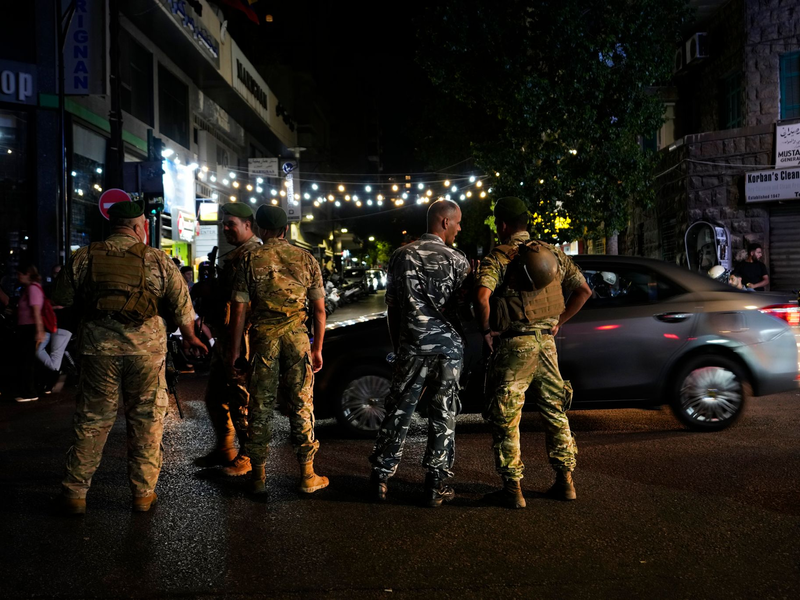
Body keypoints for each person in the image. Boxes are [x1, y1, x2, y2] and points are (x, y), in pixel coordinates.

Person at [52, 200, 207, 515]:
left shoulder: (84, 256)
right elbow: (182, 307)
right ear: (139, 227)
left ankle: (75, 494)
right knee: (146, 421)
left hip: (97, 352)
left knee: (92, 421)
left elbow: (61, 298)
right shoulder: (157, 259)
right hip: (146, 354)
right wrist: (191, 338)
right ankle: (142, 495)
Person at [475, 197, 592, 508]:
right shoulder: (553, 253)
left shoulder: (499, 257)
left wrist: (485, 330)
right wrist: (559, 321)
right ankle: (565, 482)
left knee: (507, 416)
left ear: (502, 225)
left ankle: (513, 489)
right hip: (547, 346)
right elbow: (584, 291)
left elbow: (482, 297)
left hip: (515, 347)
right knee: (555, 411)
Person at [369, 199, 470, 507]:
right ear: (445, 222)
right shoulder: (458, 260)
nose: (459, 228)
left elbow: (392, 308)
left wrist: (398, 346)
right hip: (448, 349)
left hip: (412, 346)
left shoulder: (401, 256)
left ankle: (380, 479)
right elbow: (463, 309)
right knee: (444, 412)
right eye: (457, 223)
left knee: (399, 410)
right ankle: (435, 485)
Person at [228, 205, 328, 496]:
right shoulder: (306, 258)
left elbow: (239, 311)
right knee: (301, 404)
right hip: (297, 340)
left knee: (260, 407)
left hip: (263, 340)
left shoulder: (249, 259)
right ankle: (307, 475)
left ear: (260, 229)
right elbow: (319, 311)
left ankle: (258, 477)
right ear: (285, 229)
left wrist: (236, 352)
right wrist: (317, 349)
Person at [195, 202, 261, 476]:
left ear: (248, 225)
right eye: (223, 224)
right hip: (225, 335)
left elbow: (245, 303)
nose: (225, 228)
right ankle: (225, 447)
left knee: (240, 398)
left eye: (230, 224)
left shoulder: (253, 255)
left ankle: (247, 455)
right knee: (215, 396)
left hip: (241, 337)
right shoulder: (236, 255)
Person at [13, 261, 49, 402]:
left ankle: (30, 392)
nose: (18, 277)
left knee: (27, 361)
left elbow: (36, 311)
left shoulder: (32, 289)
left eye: (19, 274)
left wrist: (39, 331)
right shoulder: (31, 288)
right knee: (28, 360)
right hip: (28, 327)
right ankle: (32, 390)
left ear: (27, 274)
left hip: (29, 328)